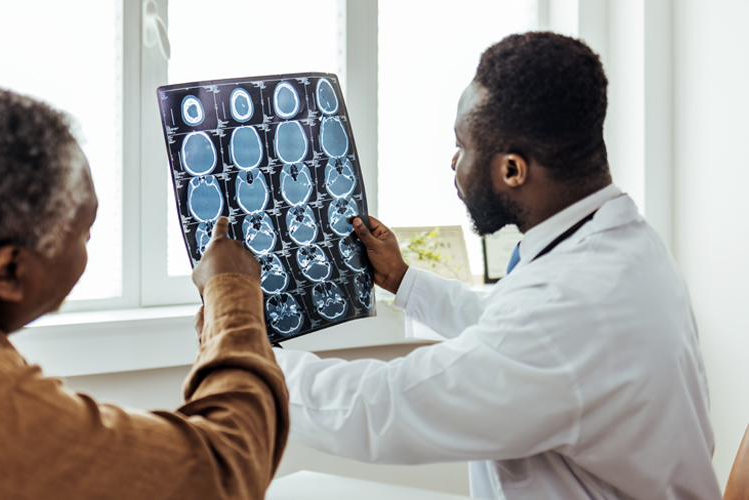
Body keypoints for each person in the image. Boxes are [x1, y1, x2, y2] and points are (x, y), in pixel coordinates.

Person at [274, 32, 720, 499]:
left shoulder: (571, 301)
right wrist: (404, 281)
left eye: (463, 146)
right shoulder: (623, 245)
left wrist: (244, 354)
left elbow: (385, 408)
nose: (454, 163)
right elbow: (513, 334)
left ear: (512, 169)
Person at [0, 86, 288, 499]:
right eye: (86, 230)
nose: (88, 243)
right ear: (8, 272)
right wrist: (231, 292)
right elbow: (223, 469)